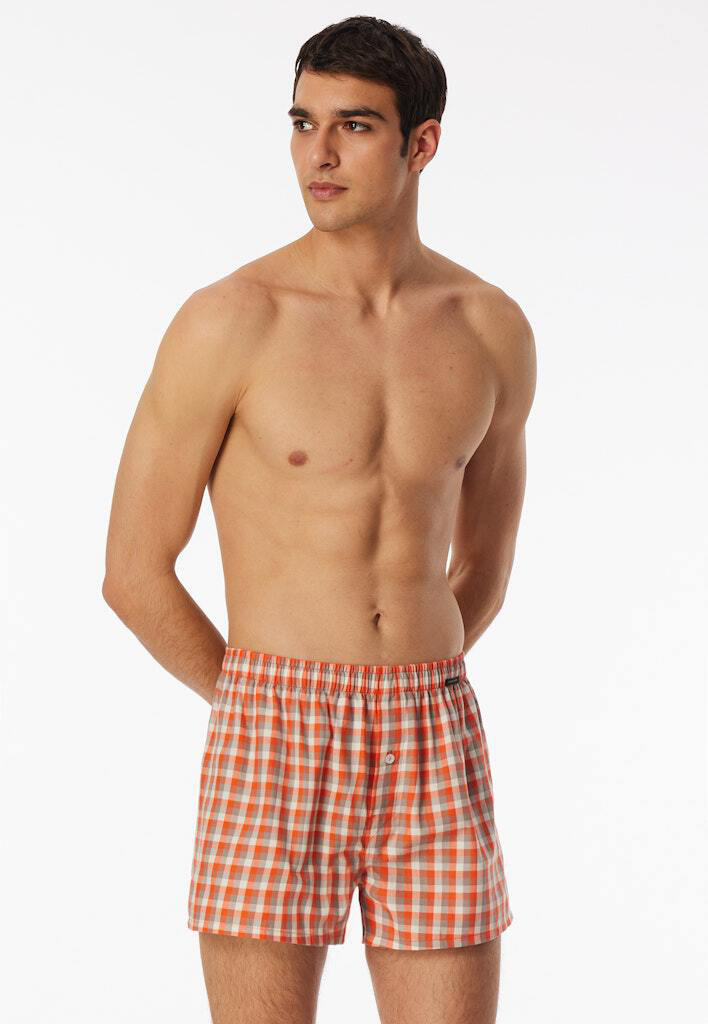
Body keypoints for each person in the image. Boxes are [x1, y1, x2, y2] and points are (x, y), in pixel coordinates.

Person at [102, 14, 536, 1024]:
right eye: (303, 123)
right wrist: (256, 701)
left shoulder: (490, 328)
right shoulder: (232, 319)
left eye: (355, 126)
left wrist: (417, 673)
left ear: (422, 143)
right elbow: (133, 569)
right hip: (272, 727)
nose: (319, 153)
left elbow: (485, 560)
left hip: (431, 727)